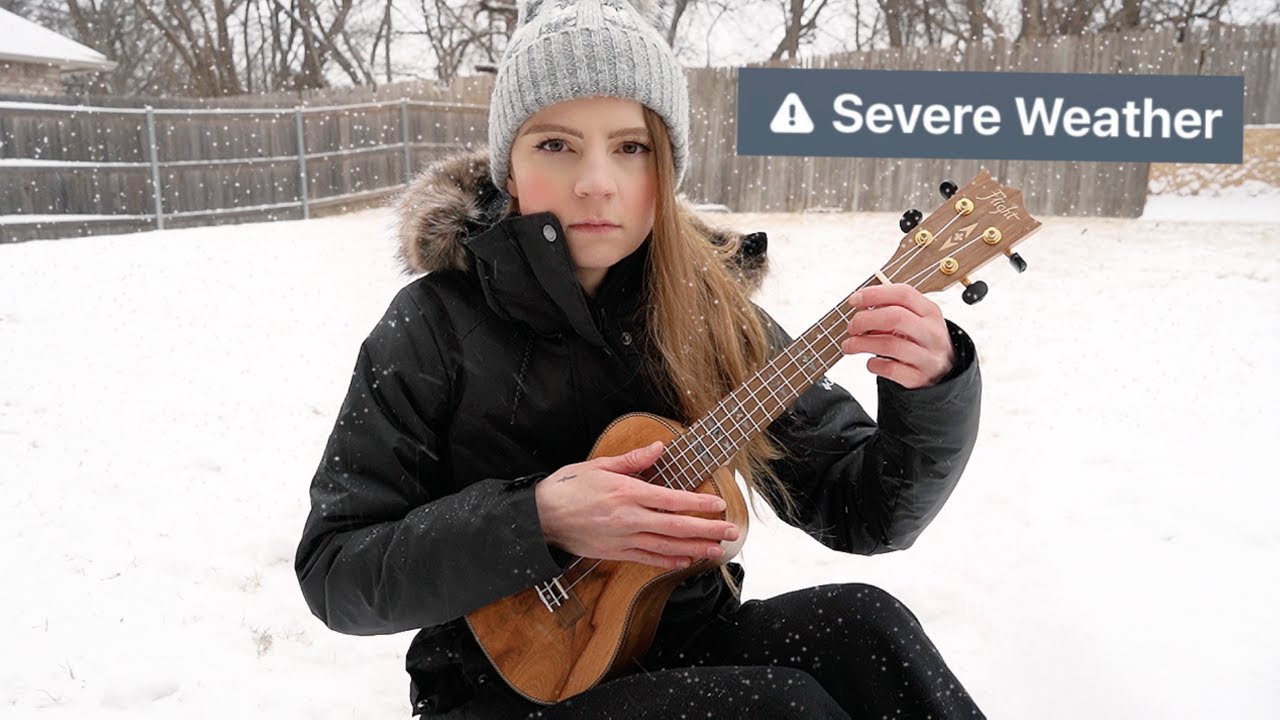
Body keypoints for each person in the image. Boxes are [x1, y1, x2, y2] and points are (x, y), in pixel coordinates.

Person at [295, 1, 985, 717]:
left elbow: (866, 511)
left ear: (667, 167)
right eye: (556, 145)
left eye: (631, 148)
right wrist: (537, 521)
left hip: (682, 643)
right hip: (498, 693)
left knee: (868, 630)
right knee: (778, 708)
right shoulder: (433, 327)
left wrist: (932, 388)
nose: (597, 182)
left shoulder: (713, 315)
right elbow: (337, 571)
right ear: (509, 167)